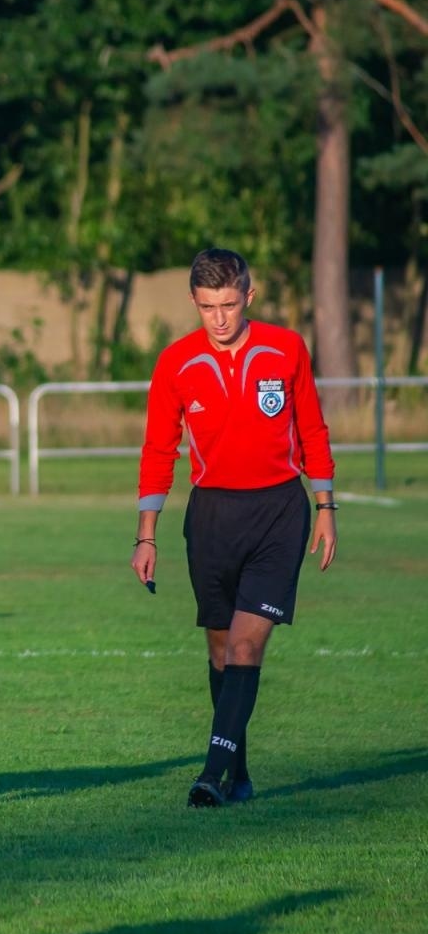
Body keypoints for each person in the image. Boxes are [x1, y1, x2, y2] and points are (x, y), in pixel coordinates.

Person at [131, 248, 336, 809]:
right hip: (212, 518)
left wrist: (325, 507)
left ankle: (209, 774)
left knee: (247, 644)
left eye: (227, 304)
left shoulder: (286, 348)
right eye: (206, 307)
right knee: (221, 648)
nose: (218, 318)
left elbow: (312, 429)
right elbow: (158, 451)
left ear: (250, 294)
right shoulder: (175, 363)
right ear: (194, 303)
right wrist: (146, 535)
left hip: (278, 513)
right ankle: (237, 775)